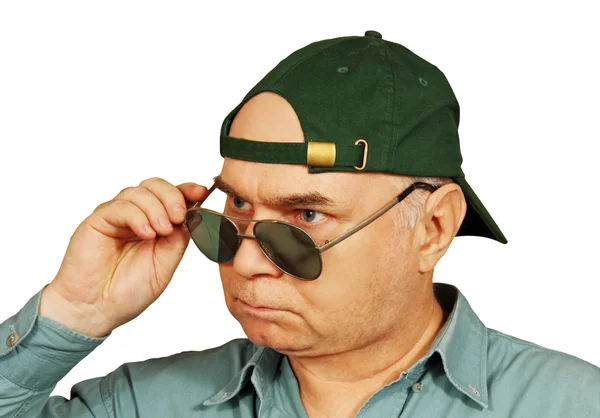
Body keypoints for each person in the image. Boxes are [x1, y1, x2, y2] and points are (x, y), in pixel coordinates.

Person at [1, 30, 598, 418]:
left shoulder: (567, 405)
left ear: (433, 228)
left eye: (304, 217)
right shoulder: (145, 405)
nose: (248, 261)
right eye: (234, 211)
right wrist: (73, 311)